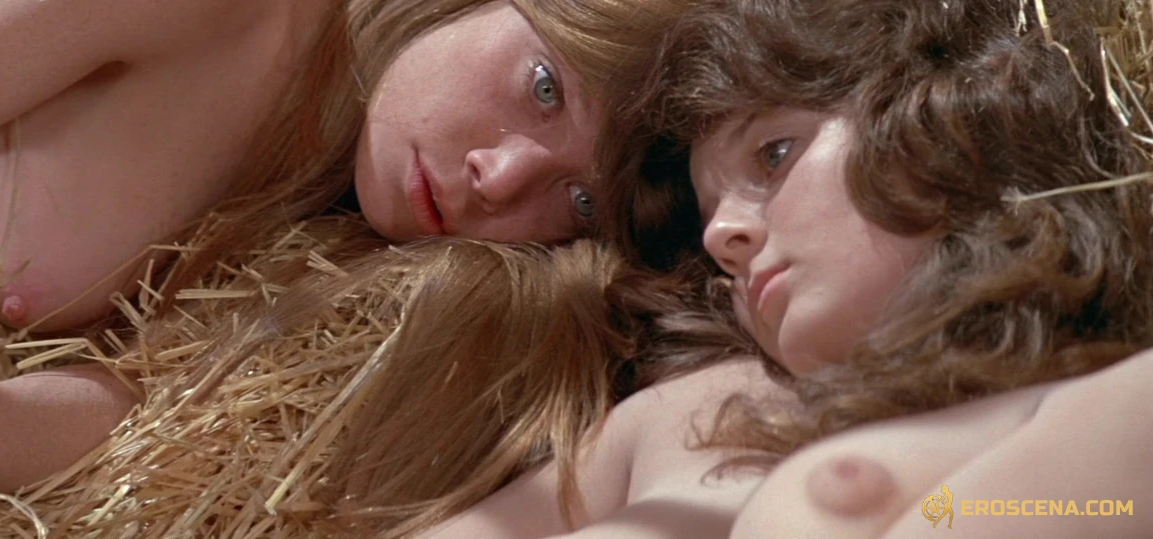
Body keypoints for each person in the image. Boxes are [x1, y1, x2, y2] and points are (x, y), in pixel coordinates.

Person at [0, 0, 691, 534]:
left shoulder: (350, 213)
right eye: (544, 87)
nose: (501, 178)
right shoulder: (229, 16)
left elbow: (153, 403)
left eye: (581, 200)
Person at [421, 0, 1153, 536]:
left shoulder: (1111, 393)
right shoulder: (690, 410)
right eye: (708, 217)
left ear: (951, 112)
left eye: (774, 155)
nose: (723, 237)